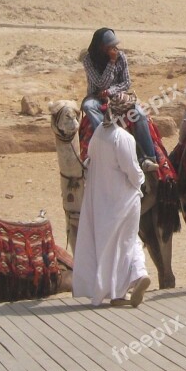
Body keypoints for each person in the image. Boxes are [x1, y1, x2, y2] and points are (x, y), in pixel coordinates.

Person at [72, 107, 151, 307]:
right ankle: (130, 282)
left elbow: (90, 157)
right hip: (124, 199)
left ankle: (128, 284)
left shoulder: (98, 133)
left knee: (118, 244)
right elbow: (133, 172)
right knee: (128, 241)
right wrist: (142, 179)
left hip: (100, 201)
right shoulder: (124, 138)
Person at [81, 28, 157, 169]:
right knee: (88, 106)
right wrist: (111, 62)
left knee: (139, 114)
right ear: (100, 46)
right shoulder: (88, 60)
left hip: (118, 95)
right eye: (109, 46)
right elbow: (100, 83)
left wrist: (110, 91)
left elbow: (126, 83)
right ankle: (104, 136)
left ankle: (148, 157)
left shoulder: (121, 56)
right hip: (96, 96)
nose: (113, 48)